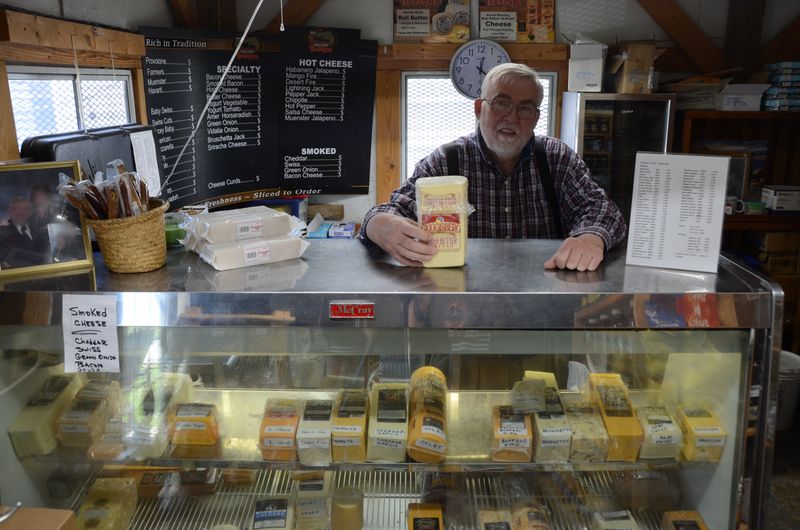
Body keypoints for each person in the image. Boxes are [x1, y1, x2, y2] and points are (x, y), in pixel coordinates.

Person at [360, 63, 626, 271]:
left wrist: (590, 238)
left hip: (544, 304)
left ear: (535, 117)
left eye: (525, 108)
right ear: (479, 108)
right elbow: (391, 210)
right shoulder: (446, 161)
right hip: (462, 304)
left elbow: (601, 208)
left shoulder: (557, 158)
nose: (511, 117)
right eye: (501, 103)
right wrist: (381, 225)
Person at [0, 196, 50, 269]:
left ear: (30, 211)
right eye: (16, 209)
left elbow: (48, 256)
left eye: (25, 209)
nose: (20, 212)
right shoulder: (2, 234)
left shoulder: (41, 233)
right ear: (9, 211)